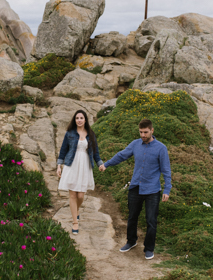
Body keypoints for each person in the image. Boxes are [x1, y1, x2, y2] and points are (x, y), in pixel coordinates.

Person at [99, 118, 171, 260]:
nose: (143, 135)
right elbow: (121, 155)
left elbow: (166, 171)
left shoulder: (161, 148)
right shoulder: (135, 144)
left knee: (151, 220)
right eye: (140, 132)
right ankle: (131, 241)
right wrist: (107, 164)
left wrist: (167, 189)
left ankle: (149, 249)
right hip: (135, 187)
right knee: (132, 217)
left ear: (152, 131)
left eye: (145, 132)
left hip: (153, 191)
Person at [56, 110, 103, 235]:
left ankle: (76, 211)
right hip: (72, 165)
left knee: (81, 196)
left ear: (85, 120)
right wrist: (59, 166)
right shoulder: (69, 134)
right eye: (77, 118)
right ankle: (75, 222)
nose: (79, 120)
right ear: (75, 120)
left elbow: (96, 152)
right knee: (72, 195)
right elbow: (63, 150)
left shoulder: (91, 134)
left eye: (81, 118)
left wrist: (100, 164)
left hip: (84, 166)